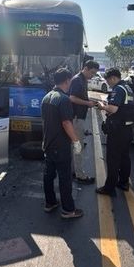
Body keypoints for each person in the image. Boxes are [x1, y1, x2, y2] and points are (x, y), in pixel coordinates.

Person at [40, 68, 84, 219]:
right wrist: (76, 141)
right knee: (65, 179)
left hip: (48, 144)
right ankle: (68, 210)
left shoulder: (46, 97)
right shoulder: (64, 99)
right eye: (70, 80)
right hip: (61, 146)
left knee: (48, 176)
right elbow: (66, 123)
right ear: (67, 80)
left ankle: (50, 203)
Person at [96, 68, 134, 197]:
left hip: (118, 130)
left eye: (108, 81)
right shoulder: (128, 88)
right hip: (128, 128)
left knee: (113, 159)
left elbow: (113, 108)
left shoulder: (118, 89)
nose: (108, 84)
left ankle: (109, 188)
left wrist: (102, 107)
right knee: (125, 157)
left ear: (113, 78)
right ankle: (123, 183)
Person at [68, 59, 100, 184]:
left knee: (75, 146)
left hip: (78, 117)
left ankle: (74, 171)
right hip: (76, 118)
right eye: (91, 72)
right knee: (78, 146)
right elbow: (72, 98)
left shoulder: (82, 80)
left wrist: (91, 101)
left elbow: (80, 97)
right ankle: (79, 175)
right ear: (85, 68)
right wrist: (88, 103)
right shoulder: (77, 80)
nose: (92, 76)